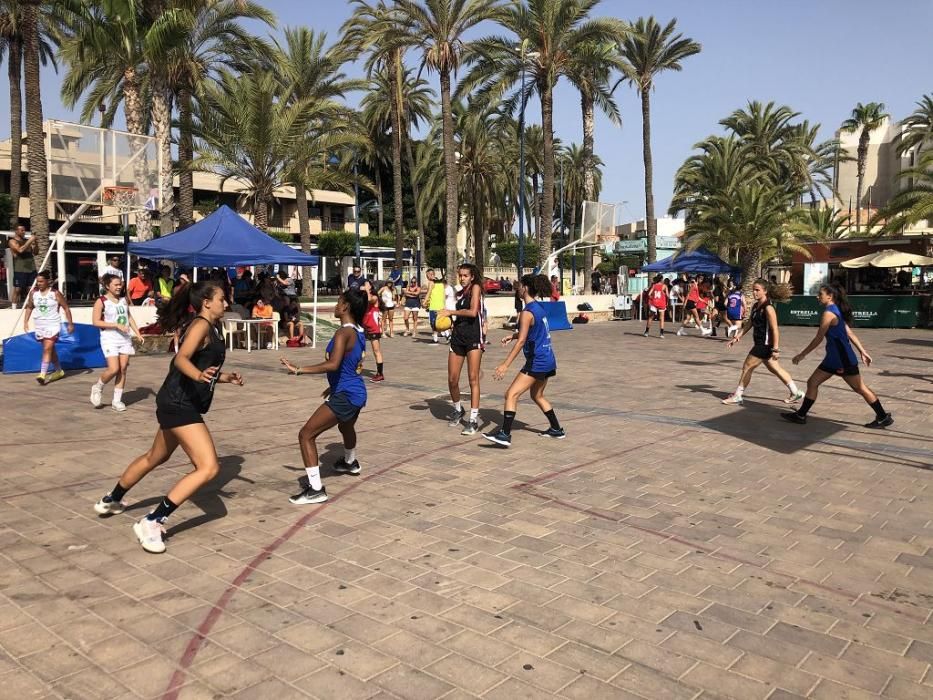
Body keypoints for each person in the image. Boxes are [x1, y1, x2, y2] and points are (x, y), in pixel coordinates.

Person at [92, 281, 244, 553]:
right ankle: (152, 521)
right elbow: (182, 360)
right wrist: (198, 375)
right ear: (206, 302)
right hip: (179, 403)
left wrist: (223, 377)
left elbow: (199, 365)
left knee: (156, 456)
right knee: (208, 467)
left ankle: (112, 499)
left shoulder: (212, 327)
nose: (226, 303)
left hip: (176, 400)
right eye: (222, 298)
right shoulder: (200, 325)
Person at [280, 289, 368, 504]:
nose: (336, 306)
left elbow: (333, 364)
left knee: (306, 435)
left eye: (339, 301)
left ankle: (316, 489)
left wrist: (299, 369)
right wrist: (333, 386)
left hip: (347, 394)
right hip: (355, 391)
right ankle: (350, 462)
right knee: (346, 426)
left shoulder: (343, 333)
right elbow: (350, 364)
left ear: (346, 306)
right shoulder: (358, 331)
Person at [782, 283, 893, 428]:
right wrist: (862, 351)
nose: (817, 297)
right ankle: (801, 415)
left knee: (860, 388)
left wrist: (802, 355)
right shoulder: (836, 310)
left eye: (820, 294)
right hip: (834, 359)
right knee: (812, 382)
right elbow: (849, 333)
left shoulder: (829, 313)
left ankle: (883, 417)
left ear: (830, 296)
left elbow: (819, 337)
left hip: (841, 360)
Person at [484, 274, 565, 447]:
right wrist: (513, 335)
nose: (517, 289)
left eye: (519, 286)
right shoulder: (538, 307)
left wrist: (505, 364)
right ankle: (556, 429)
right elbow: (532, 333)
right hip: (548, 359)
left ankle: (504, 435)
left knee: (511, 394)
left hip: (538, 361)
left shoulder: (527, 313)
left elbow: (523, 341)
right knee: (537, 395)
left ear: (526, 288)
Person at [721, 279, 804, 406]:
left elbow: (775, 329)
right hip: (760, 344)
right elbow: (750, 323)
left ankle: (738, 395)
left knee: (747, 367)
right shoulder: (756, 306)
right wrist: (738, 336)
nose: (754, 292)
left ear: (765, 291)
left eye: (757, 290)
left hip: (764, 345)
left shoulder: (768, 308)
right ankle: (795, 392)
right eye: (753, 289)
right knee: (775, 369)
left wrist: (775, 349)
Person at [437, 264, 484, 435]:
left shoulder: (476, 288)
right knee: (452, 379)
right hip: (458, 336)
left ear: (472, 276)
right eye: (460, 275)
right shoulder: (458, 293)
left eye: (465, 275)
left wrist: (451, 312)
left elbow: (472, 312)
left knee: (473, 379)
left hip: (473, 337)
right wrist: (443, 323)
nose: (462, 278)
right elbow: (452, 314)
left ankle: (472, 419)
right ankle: (458, 409)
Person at [91, 274, 143, 412]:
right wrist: (115, 325)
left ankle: (117, 400)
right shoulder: (101, 301)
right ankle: (98, 387)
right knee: (114, 369)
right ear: (108, 286)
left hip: (124, 338)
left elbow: (129, 316)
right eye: (116, 284)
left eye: (120, 284)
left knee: (123, 368)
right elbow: (96, 322)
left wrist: (137, 333)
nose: (119, 287)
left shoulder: (124, 300)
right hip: (109, 338)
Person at [23, 269, 73, 384]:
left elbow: (66, 308)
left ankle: (42, 374)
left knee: (47, 349)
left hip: (53, 324)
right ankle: (59, 371)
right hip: (40, 325)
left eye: (41, 281)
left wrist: (70, 324)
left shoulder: (55, 293)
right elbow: (29, 307)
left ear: (47, 282)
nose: (39, 284)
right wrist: (25, 322)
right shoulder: (33, 293)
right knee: (50, 349)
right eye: (37, 282)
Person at [9, 225, 38, 308]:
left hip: (31, 268)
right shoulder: (12, 241)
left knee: (31, 289)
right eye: (21, 230)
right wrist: (30, 240)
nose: (24, 232)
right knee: (18, 289)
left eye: (24, 230)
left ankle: (30, 307)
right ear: (16, 231)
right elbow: (20, 250)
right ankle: (13, 308)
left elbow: (36, 252)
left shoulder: (27, 241)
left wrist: (35, 242)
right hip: (20, 269)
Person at [361, 280, 385, 381]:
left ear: (371, 286)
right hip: (365, 327)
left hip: (374, 328)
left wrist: (366, 290)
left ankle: (380, 373)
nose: (364, 286)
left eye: (367, 284)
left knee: (376, 351)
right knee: (359, 349)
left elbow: (370, 299)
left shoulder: (374, 297)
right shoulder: (364, 296)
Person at [423, 269, 446, 344]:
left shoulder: (431, 282)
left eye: (427, 275)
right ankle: (445, 335)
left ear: (430, 274)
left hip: (434, 306)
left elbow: (428, 293)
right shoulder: (441, 283)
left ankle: (437, 338)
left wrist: (424, 302)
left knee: (433, 323)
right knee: (439, 323)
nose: (427, 277)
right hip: (441, 306)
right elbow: (443, 295)